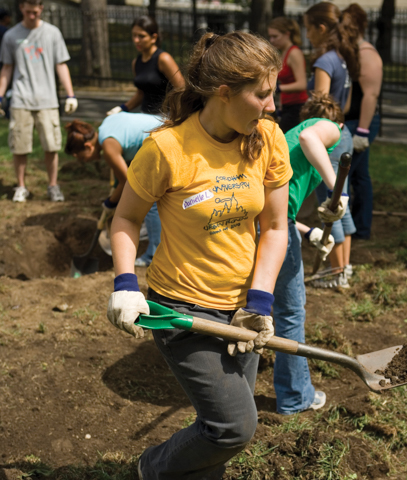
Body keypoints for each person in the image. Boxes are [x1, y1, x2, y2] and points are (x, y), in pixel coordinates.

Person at [106, 31, 292, 480]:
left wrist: (259, 302)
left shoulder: (266, 138)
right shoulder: (167, 148)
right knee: (234, 427)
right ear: (224, 93)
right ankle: (151, 468)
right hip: (181, 310)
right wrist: (126, 284)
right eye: (262, 95)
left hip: (241, 308)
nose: (272, 105)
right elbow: (126, 219)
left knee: (220, 434)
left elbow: (275, 227)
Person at [273, 92, 348, 415]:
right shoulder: (327, 128)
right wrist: (336, 189)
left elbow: (280, 212)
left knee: (251, 305)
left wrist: (310, 231)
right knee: (289, 313)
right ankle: (295, 397)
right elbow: (309, 136)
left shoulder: (292, 137)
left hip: (264, 221)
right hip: (272, 226)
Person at [303, 1, 361, 287]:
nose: (307, 36)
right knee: (343, 202)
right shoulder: (342, 58)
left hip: (328, 134)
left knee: (332, 203)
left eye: (308, 29)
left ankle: (337, 275)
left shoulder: (324, 61)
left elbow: (320, 103)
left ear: (321, 28)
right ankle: (344, 269)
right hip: (343, 128)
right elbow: (345, 103)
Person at [0, 0, 78, 203]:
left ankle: (53, 186)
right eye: (28, 12)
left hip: (47, 100)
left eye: (35, 12)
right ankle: (21, 187)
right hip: (20, 99)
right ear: (21, 9)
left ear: (41, 8)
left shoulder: (53, 33)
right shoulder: (11, 36)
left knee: (51, 146)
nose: (32, 15)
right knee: (20, 147)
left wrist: (71, 94)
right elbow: (7, 68)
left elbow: (61, 65)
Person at [64, 112, 162, 267]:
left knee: (150, 201)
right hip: (165, 129)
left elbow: (126, 181)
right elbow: (121, 175)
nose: (85, 162)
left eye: (83, 158)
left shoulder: (108, 146)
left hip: (162, 142)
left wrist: (110, 203)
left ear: (88, 146)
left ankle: (154, 255)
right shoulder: (105, 126)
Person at [343, 3, 383, 240]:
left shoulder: (366, 53)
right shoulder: (353, 50)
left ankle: (351, 229)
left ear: (357, 25)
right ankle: (361, 228)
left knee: (345, 177)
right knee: (360, 176)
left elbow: (371, 94)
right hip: (354, 121)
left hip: (360, 122)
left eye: (347, 24)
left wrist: (362, 131)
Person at [107, 15, 184, 116]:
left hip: (165, 117)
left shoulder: (163, 59)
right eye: (134, 35)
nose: (136, 40)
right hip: (144, 116)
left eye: (141, 36)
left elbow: (182, 89)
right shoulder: (136, 62)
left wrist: (176, 117)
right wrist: (121, 108)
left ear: (153, 38)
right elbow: (141, 93)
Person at [268, 17, 308, 133]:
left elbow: (302, 84)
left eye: (275, 36)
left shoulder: (294, 53)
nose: (272, 40)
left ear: (287, 34)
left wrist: (277, 88)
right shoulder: (283, 52)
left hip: (297, 107)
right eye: (270, 36)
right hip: (287, 107)